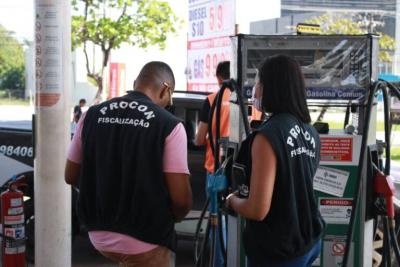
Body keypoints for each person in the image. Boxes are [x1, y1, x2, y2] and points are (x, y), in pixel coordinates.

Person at [65, 61, 192, 267]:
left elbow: (70, 176)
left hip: (99, 234)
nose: (168, 104)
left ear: (135, 83)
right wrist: (173, 218)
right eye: (170, 98)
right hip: (148, 239)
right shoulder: (169, 125)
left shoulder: (91, 115)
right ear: (166, 90)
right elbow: (181, 201)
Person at [225, 55, 325, 267]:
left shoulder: (267, 136)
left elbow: (257, 209)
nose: (256, 89)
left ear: (272, 87)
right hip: (308, 239)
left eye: (258, 82)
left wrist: (231, 200)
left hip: (279, 249)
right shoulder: (310, 132)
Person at [195, 61, 230, 267]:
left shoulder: (211, 100)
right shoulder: (251, 101)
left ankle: (219, 264)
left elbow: (199, 140)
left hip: (216, 171)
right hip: (246, 173)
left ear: (218, 78)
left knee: (218, 224)